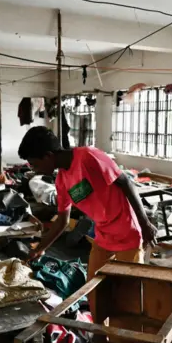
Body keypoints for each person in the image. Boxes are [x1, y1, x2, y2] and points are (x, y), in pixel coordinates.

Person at [18, 126, 157, 316]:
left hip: (127, 233)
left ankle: (128, 342)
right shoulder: (62, 180)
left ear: (48, 156)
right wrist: (40, 249)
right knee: (94, 293)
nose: (35, 170)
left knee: (129, 296)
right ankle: (101, 340)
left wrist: (145, 224)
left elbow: (126, 182)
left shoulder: (89, 157)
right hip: (103, 236)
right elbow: (62, 221)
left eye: (34, 164)